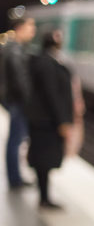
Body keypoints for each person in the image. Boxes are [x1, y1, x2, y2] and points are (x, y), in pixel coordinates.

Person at [26, 30, 74, 209]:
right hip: (46, 121)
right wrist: (62, 121)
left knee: (42, 159)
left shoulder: (45, 60)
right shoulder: (46, 63)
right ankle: (44, 198)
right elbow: (52, 94)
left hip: (43, 120)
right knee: (44, 160)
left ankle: (44, 196)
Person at [1, 17, 36, 189]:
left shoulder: (14, 48)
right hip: (18, 101)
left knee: (15, 140)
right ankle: (15, 179)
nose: (33, 30)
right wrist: (30, 101)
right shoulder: (15, 50)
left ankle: (15, 177)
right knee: (15, 140)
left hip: (13, 99)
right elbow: (19, 80)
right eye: (31, 26)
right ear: (20, 28)